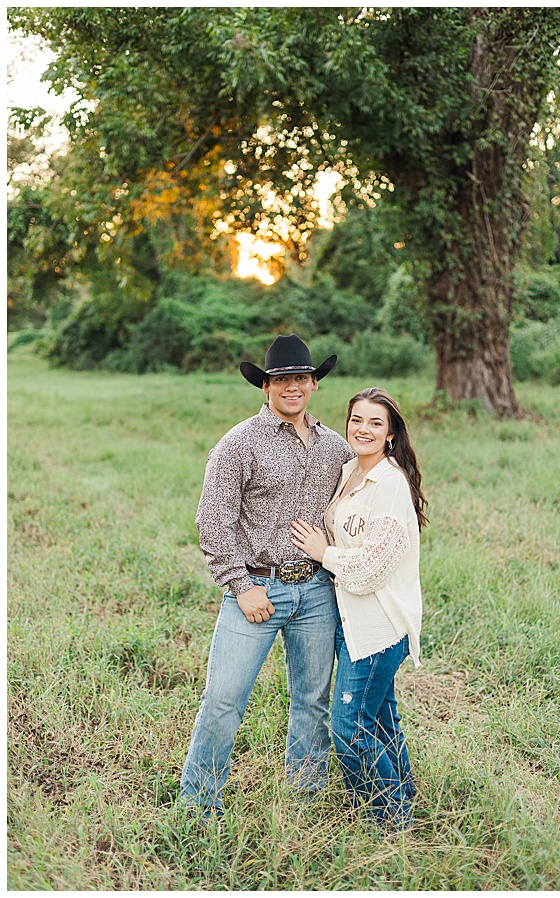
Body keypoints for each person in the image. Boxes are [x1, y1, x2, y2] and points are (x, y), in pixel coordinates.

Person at [182, 334, 353, 815]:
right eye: (281, 379)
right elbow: (213, 519)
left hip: (317, 592)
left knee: (312, 702)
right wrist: (242, 585)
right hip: (257, 588)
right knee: (224, 699)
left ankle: (305, 798)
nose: (292, 387)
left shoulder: (335, 448)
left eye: (301, 377)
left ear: (314, 383)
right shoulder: (239, 443)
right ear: (266, 387)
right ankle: (199, 802)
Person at [289, 387, 427, 833]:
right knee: (381, 719)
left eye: (375, 423)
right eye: (356, 420)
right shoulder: (349, 471)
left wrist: (323, 552)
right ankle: (403, 799)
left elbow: (370, 569)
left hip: (378, 628)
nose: (363, 430)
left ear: (390, 435)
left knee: (349, 732)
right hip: (348, 621)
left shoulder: (389, 485)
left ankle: (388, 821)